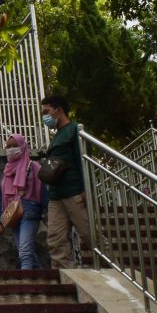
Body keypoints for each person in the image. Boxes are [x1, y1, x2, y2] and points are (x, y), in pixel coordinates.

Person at [41, 94, 91, 268]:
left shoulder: (75, 130)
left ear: (58, 110)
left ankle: (112, 266)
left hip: (73, 192)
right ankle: (66, 278)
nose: (44, 116)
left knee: (89, 235)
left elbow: (82, 160)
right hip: (56, 195)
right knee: (55, 239)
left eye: (46, 111)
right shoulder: (57, 135)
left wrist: (86, 189)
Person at [0, 133, 44, 269]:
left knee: (24, 251)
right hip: (13, 215)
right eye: (8, 146)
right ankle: (41, 279)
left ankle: (26, 282)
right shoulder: (7, 171)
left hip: (30, 213)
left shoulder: (33, 166)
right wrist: (0, 221)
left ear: (23, 147)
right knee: (26, 252)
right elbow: (2, 196)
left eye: (15, 146)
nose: (11, 149)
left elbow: (43, 190)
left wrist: (46, 211)